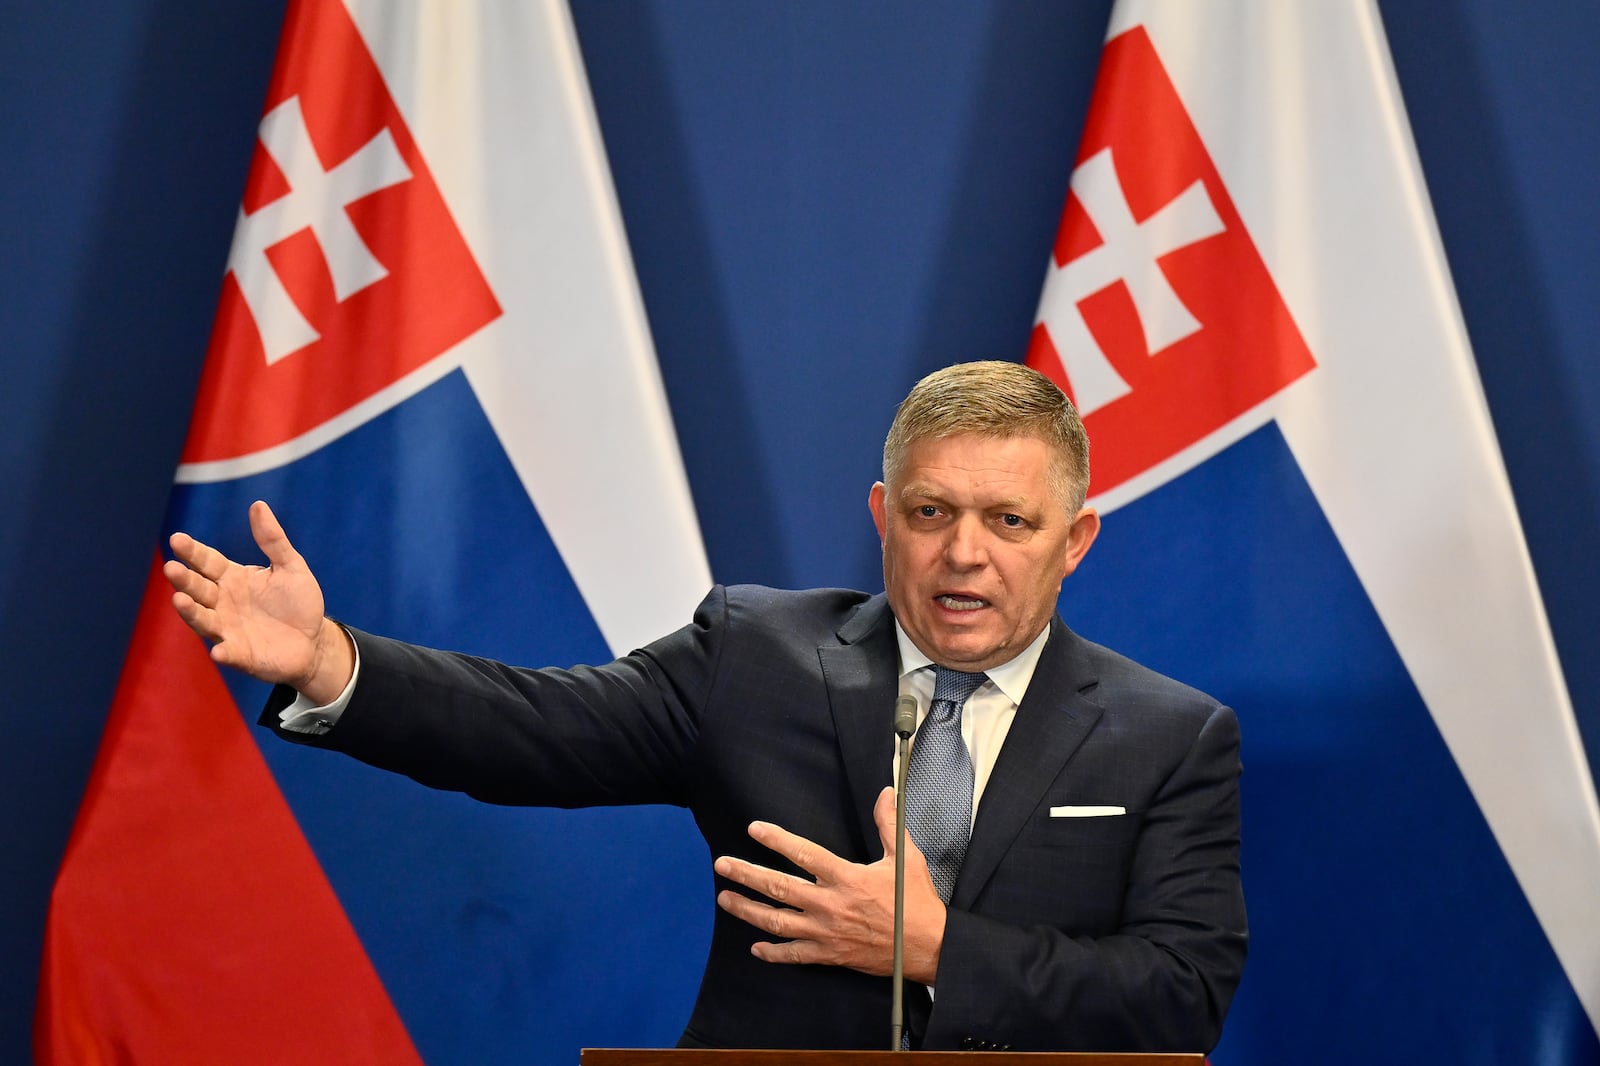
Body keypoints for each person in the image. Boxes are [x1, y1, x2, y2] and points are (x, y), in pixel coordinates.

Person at [165, 360, 1246, 1052]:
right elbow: (530, 731)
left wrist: (936, 950)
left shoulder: (1163, 736)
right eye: (932, 511)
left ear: (1074, 539)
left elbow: (1179, 989)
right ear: (883, 514)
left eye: (1009, 521)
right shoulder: (759, 656)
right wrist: (327, 658)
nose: (964, 552)